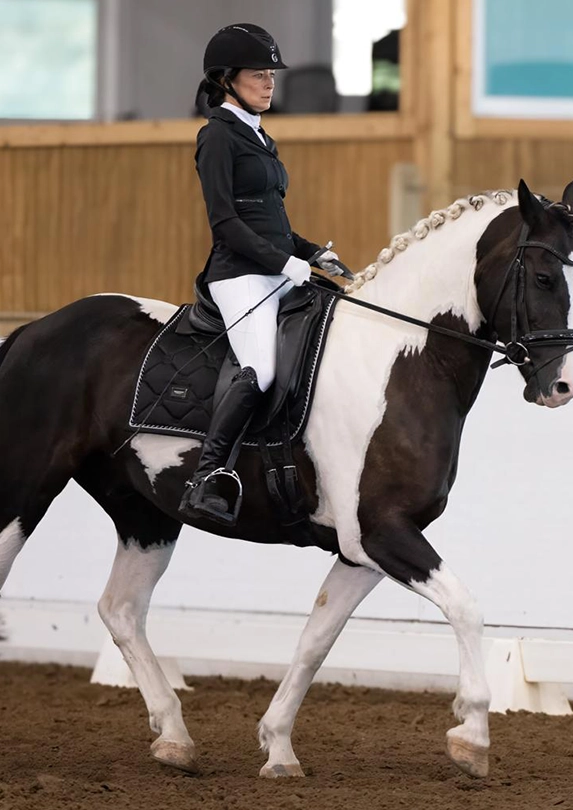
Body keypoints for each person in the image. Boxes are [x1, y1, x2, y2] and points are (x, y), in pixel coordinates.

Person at [180, 23, 353, 526]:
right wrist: (284, 263)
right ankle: (209, 474)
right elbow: (226, 224)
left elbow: (272, 223)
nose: (269, 83)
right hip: (239, 276)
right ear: (227, 79)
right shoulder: (216, 137)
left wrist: (313, 252)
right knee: (263, 367)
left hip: (278, 268)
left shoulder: (260, 136)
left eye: (271, 74)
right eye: (258, 74)